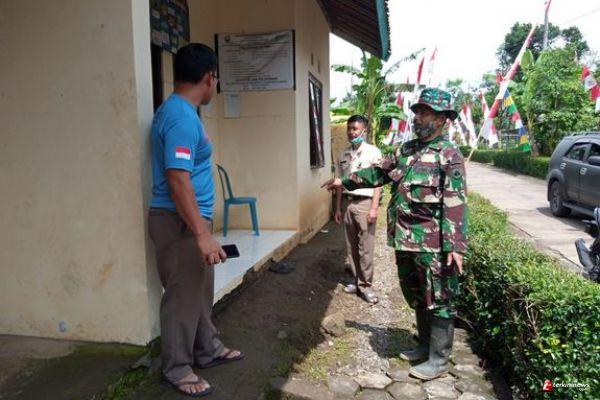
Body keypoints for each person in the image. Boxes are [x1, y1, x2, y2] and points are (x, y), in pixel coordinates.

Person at [322, 88, 468, 380]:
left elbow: (456, 202)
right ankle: (424, 346)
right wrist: (345, 181)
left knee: (439, 298)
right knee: (417, 295)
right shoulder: (407, 150)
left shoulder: (449, 155)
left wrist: (455, 246)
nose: (417, 117)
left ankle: (438, 360)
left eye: (425, 112)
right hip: (406, 239)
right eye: (417, 111)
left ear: (442, 119)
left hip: (434, 244)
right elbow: (379, 173)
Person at [148, 43, 243, 397]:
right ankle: (176, 368)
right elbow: (177, 178)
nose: (215, 85)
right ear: (208, 77)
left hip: (189, 221)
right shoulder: (181, 117)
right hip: (180, 222)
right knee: (182, 296)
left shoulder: (181, 112)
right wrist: (201, 234)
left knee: (199, 290)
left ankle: (208, 348)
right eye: (216, 78)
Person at [335, 115, 382, 304]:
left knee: (366, 247)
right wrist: (338, 208)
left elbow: (378, 182)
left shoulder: (373, 152)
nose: (351, 132)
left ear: (364, 130)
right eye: (349, 128)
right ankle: (355, 281)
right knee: (351, 245)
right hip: (348, 203)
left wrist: (374, 208)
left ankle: (366, 286)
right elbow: (339, 184)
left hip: (365, 203)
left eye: (355, 128)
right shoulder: (342, 155)